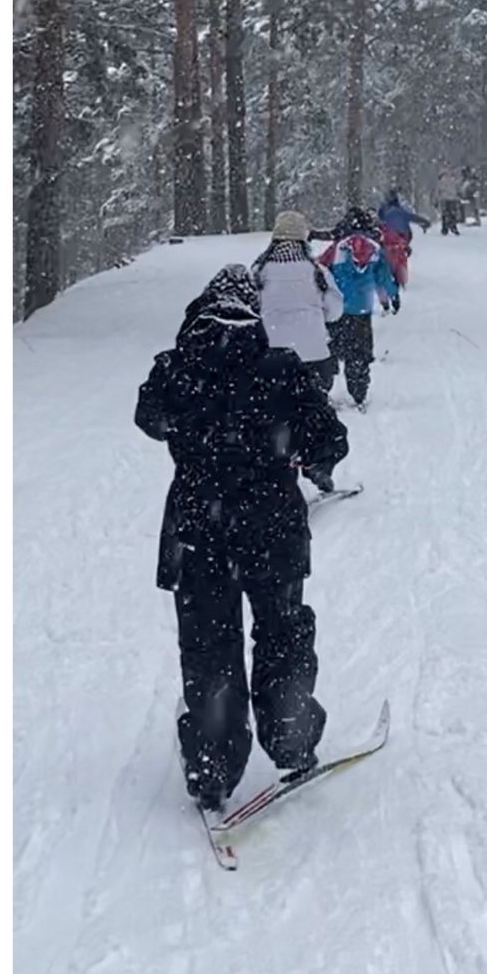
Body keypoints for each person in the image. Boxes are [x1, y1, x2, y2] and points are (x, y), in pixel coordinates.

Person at [135, 265, 349, 813]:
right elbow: (330, 442)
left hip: (199, 530)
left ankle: (211, 765)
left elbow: (149, 418)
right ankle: (294, 740)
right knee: (282, 634)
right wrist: (299, 451)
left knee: (209, 647)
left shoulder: (175, 369)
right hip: (271, 529)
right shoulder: (282, 369)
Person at [251, 211, 343, 395]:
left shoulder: (259, 272)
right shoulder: (317, 272)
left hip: (272, 353)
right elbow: (335, 311)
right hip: (314, 354)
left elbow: (251, 310)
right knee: (312, 408)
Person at [325, 209, 399, 411]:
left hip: (336, 311)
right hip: (362, 312)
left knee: (330, 351)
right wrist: (392, 297)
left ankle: (324, 388)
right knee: (358, 355)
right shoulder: (375, 250)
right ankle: (359, 393)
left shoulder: (337, 249)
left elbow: (321, 270)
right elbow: (383, 279)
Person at [376, 188, 430, 288]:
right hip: (402, 237)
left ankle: (387, 272)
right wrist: (424, 223)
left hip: (388, 237)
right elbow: (413, 217)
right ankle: (399, 272)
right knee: (399, 252)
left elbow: (379, 221)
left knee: (387, 253)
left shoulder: (384, 210)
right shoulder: (401, 211)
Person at [434, 165, 464, 236]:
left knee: (444, 213)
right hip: (453, 198)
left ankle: (444, 228)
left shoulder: (440, 180)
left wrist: (436, 200)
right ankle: (453, 226)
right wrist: (459, 196)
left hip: (443, 199)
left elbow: (437, 191)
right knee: (452, 213)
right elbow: (458, 188)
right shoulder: (453, 179)